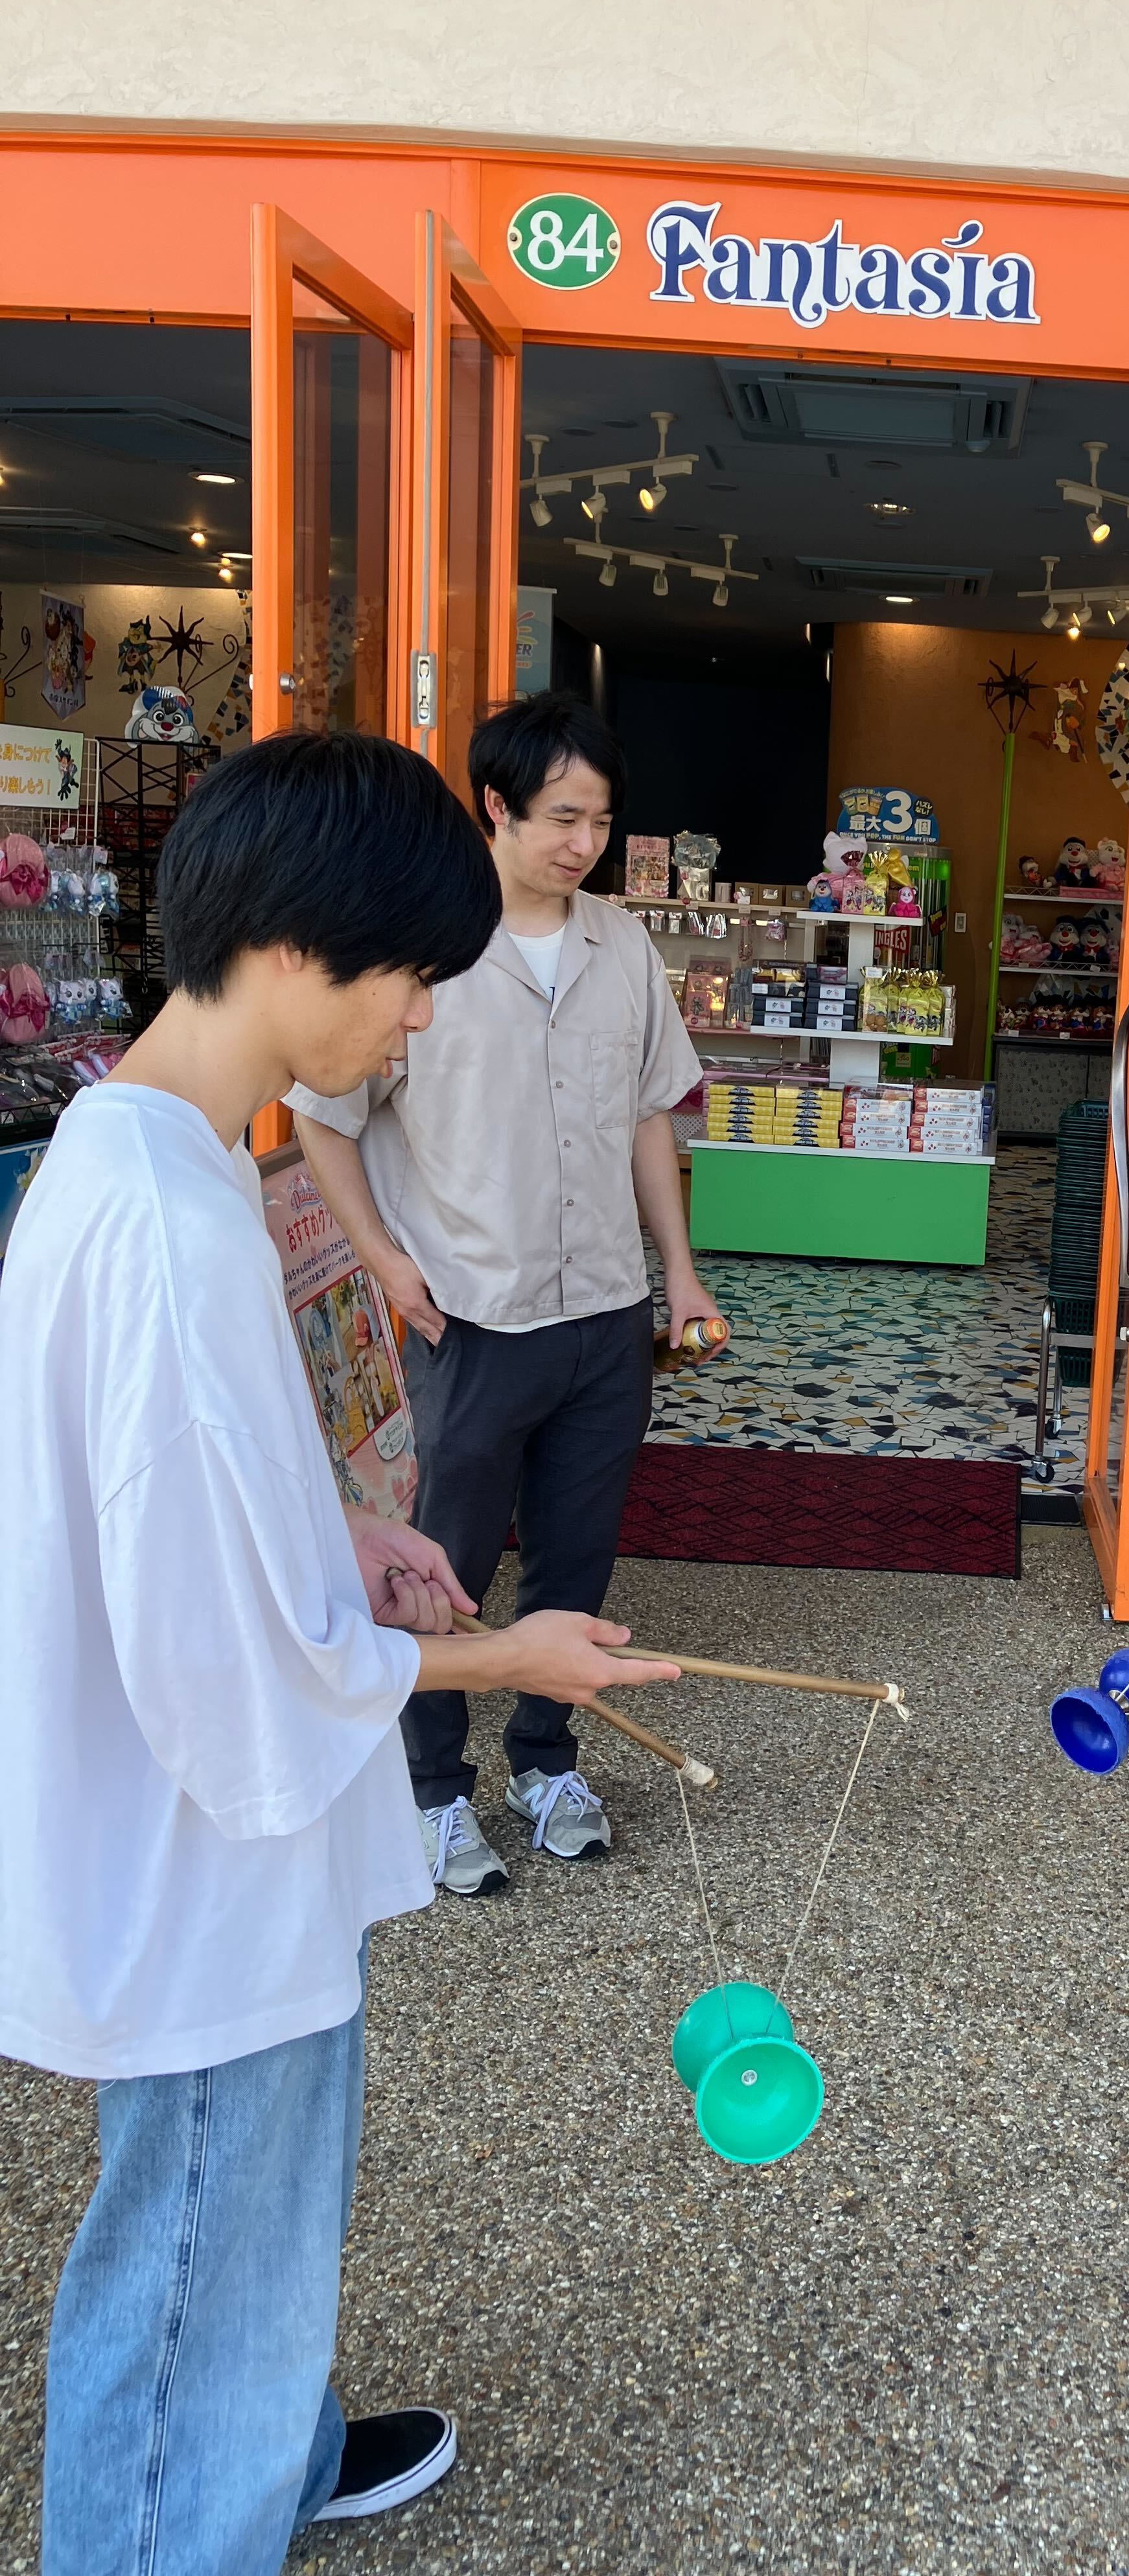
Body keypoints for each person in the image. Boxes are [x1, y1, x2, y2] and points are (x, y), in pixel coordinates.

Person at [0, 730, 682, 2573]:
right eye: (410, 981)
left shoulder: (148, 1149)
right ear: (299, 948)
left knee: (255, 2187)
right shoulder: (161, 1219)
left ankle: (268, 2449)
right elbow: (224, 1659)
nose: (422, 1023)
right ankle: (162, 2530)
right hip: (193, 1844)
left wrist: (343, 1532)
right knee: (197, 2213)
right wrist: (508, 1662)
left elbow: (198, 1507)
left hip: (210, 1830)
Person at [291, 694, 717, 1896]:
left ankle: (546, 1760)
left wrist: (679, 1270)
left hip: (605, 1314)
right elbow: (324, 1117)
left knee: (577, 1553)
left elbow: (649, 1117)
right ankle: (432, 1790)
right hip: (471, 1316)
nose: (584, 843)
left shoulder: (620, 946)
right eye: (562, 818)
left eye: (601, 821)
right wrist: (383, 1258)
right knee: (445, 1567)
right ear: (496, 806)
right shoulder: (418, 940)